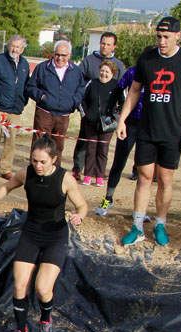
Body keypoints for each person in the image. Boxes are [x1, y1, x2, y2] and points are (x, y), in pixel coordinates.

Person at [0, 136, 88, 332]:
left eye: (43, 161)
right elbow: (6, 187)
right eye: (34, 160)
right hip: (31, 233)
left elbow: (82, 206)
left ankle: (45, 321)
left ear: (54, 159)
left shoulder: (65, 179)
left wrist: (78, 216)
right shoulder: (27, 173)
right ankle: (22, 331)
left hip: (55, 236)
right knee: (19, 286)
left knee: (43, 288)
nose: (38, 165)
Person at [117, 16, 181, 247]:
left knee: (165, 179)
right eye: (159, 37)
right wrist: (122, 120)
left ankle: (160, 224)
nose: (162, 41)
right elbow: (134, 91)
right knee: (144, 177)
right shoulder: (147, 58)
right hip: (147, 129)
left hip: (172, 131)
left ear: (178, 36)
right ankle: (137, 227)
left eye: (166, 37)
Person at [73, 32, 126, 180]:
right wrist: (83, 110)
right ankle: (78, 169)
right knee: (84, 143)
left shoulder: (119, 65)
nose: (105, 46)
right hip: (89, 111)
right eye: (103, 43)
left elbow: (123, 91)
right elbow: (79, 81)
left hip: (106, 117)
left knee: (102, 147)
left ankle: (99, 173)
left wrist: (117, 115)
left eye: (108, 44)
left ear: (114, 46)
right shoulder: (89, 61)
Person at [26, 40, 85, 166]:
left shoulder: (76, 71)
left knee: (58, 145)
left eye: (63, 55)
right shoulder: (42, 67)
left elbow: (81, 90)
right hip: (44, 113)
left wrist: (73, 103)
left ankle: (55, 173)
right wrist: (41, 97)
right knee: (39, 144)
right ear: (53, 54)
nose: (60, 58)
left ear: (69, 55)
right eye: (57, 54)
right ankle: (35, 171)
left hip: (63, 116)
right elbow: (30, 87)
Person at [0, 35, 30, 182]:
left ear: (22, 49)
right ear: (8, 46)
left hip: (15, 109)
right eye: (12, 46)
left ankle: (6, 168)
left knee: (11, 140)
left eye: (18, 47)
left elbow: (25, 84)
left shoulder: (24, 64)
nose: (15, 49)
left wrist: (22, 102)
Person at [95, 65, 143, 217]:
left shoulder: (160, 72)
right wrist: (110, 111)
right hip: (130, 122)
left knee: (145, 168)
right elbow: (117, 89)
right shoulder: (133, 71)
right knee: (119, 162)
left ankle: (140, 210)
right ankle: (108, 198)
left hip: (151, 125)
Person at [78, 60, 119, 186]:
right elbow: (82, 100)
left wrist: (114, 118)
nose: (104, 74)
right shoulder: (92, 83)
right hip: (91, 122)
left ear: (112, 73)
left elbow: (122, 103)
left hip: (107, 124)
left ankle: (100, 176)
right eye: (102, 70)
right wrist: (85, 114)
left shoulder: (117, 85)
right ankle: (88, 175)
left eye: (107, 71)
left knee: (103, 150)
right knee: (90, 149)